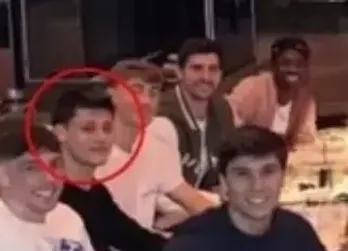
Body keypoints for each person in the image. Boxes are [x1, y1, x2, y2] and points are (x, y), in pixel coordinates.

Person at [150, 126, 339, 251]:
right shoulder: (197, 237)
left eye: (268, 172)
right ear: (223, 185)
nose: (257, 186)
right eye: (243, 174)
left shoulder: (297, 232)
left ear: (283, 178)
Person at [51, 87, 166, 251]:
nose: (101, 138)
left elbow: (137, 241)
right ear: (60, 133)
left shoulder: (96, 192)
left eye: (107, 128)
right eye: (88, 129)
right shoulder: (50, 196)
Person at [100, 59, 213, 230]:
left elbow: (191, 200)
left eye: (153, 93)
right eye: (136, 89)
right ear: (111, 94)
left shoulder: (156, 148)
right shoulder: (91, 151)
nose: (146, 100)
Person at [0, 118, 100, 251]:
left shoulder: (68, 217)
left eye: (55, 164)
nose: (50, 178)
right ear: (3, 176)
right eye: (31, 168)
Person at [156, 38, 238, 190]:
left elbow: (229, 162)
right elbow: (161, 186)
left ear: (220, 74)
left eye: (213, 69)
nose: (206, 77)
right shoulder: (161, 114)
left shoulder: (222, 108)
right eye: (197, 68)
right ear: (180, 72)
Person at [229, 37, 317, 148]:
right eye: (286, 63)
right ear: (273, 65)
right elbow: (228, 118)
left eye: (300, 65)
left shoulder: (306, 101)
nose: (293, 69)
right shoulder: (251, 87)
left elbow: (305, 139)